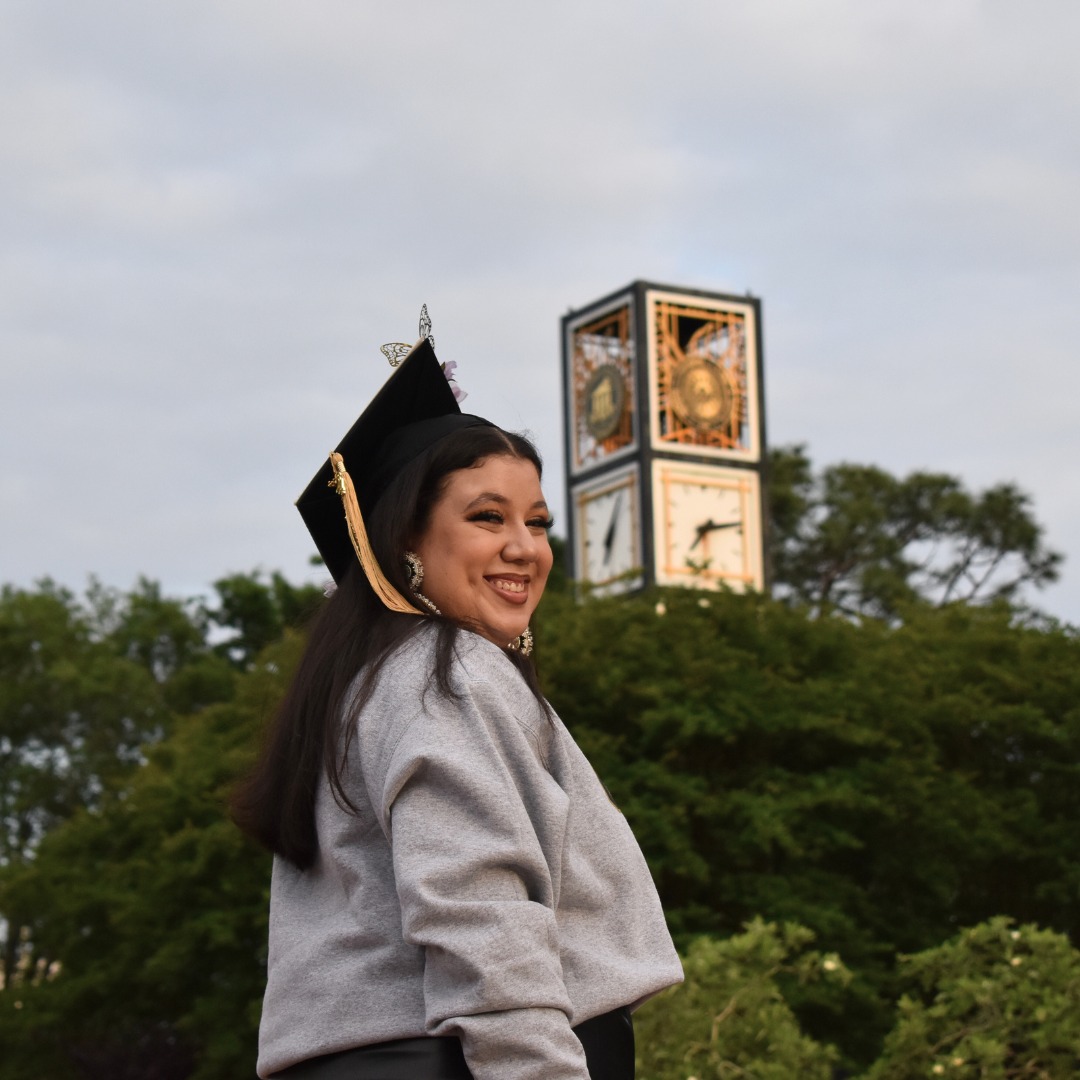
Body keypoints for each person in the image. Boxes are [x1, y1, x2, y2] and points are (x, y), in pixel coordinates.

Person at [233, 329, 682, 1080]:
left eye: (537, 522)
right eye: (486, 518)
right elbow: (480, 916)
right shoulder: (444, 672)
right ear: (406, 536)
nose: (525, 548)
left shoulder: (360, 684)